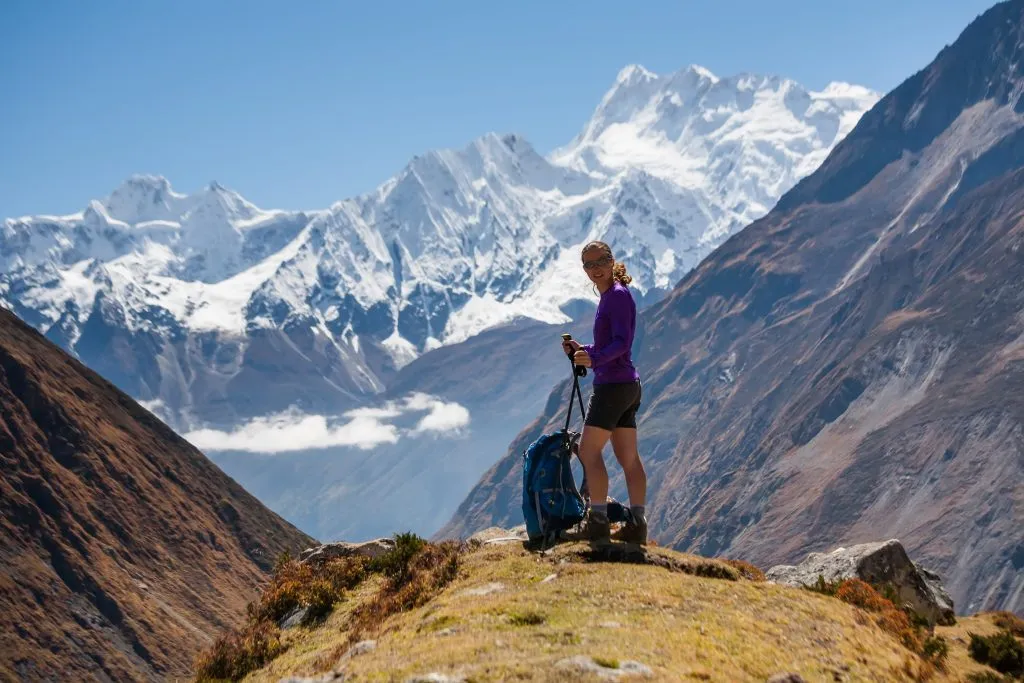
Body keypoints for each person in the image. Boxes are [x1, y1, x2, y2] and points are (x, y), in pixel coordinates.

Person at [561, 240, 648, 544]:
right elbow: (613, 344)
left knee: (587, 451)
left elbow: (622, 343)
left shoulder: (617, 297)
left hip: (612, 386)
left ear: (612, 261)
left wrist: (594, 359)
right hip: (626, 385)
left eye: (601, 262)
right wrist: (583, 351)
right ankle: (637, 525)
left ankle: (596, 521)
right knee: (628, 457)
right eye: (589, 264)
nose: (595, 269)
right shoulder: (613, 295)